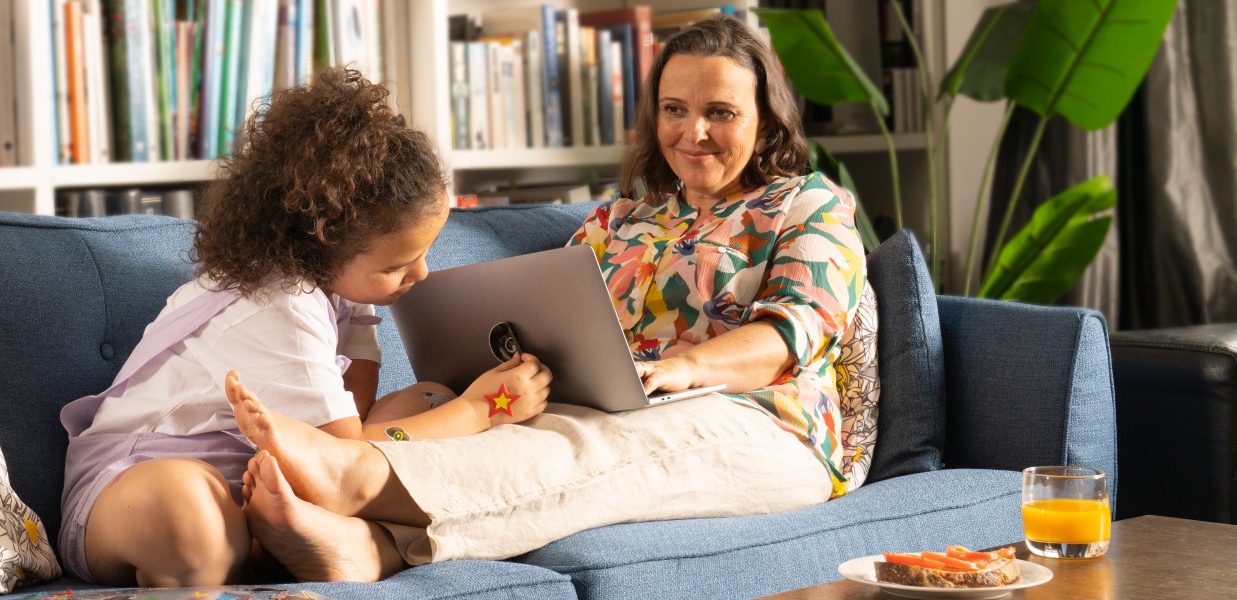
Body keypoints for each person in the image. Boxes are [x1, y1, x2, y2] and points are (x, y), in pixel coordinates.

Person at [229, 15, 871, 580]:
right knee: (509, 425)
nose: (692, 131)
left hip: (766, 426)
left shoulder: (808, 205)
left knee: (591, 448)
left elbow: (794, 331)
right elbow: (551, 317)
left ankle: (358, 473)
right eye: (674, 109)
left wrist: (684, 367)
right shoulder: (617, 221)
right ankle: (367, 551)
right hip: (604, 410)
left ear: (765, 119)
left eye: (721, 113)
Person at [58, 68, 555, 588]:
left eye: (424, 254)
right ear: (322, 242)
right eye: (397, 265)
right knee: (193, 520)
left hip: (265, 478)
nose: (421, 275)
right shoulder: (281, 304)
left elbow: (353, 420)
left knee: (427, 399)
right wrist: (480, 409)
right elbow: (342, 457)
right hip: (135, 481)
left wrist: (446, 409)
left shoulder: (339, 289)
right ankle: (272, 545)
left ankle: (276, 539)